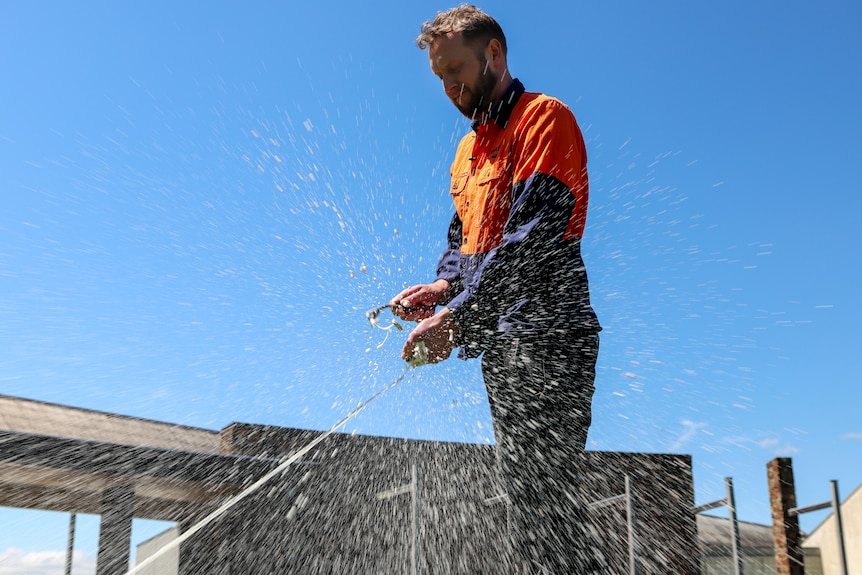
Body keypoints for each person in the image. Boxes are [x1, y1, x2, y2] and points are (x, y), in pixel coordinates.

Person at [389, 5, 604, 573]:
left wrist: (458, 317)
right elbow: (465, 244)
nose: (449, 85)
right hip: (503, 340)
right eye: (439, 77)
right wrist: (439, 288)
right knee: (528, 504)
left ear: (494, 54)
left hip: (552, 331)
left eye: (455, 68)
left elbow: (534, 238)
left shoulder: (544, 119)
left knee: (545, 503)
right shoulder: (467, 152)